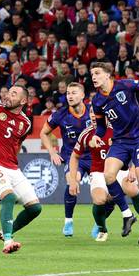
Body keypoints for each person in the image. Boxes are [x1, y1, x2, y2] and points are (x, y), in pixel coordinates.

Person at [90, 62, 139, 245]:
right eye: (92, 74)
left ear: (108, 75)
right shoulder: (97, 101)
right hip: (120, 141)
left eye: (97, 73)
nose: (93, 76)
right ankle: (127, 215)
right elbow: (101, 127)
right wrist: (95, 136)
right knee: (108, 174)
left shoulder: (124, 85)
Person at [69, 112, 139, 242]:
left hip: (120, 170)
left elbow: (137, 147)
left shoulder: (118, 129)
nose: (92, 115)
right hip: (98, 173)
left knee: (132, 189)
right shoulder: (86, 134)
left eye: (95, 113)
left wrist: (133, 168)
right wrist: (73, 180)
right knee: (99, 200)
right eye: (90, 113)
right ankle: (102, 229)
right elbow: (74, 156)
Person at [0, 86, 42, 254]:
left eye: (14, 94)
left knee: (35, 208)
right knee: (9, 196)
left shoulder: (26, 123)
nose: (7, 96)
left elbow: (16, 143)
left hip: (12, 167)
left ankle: (6, 232)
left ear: (23, 101)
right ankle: (7, 241)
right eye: (8, 92)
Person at [39, 82, 91, 237]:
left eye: (74, 92)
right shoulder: (60, 114)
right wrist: (52, 152)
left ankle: (99, 224)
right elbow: (43, 133)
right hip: (72, 156)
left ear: (82, 95)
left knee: (105, 195)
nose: (70, 96)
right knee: (72, 184)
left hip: (94, 156)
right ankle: (68, 221)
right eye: (68, 93)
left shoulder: (94, 111)